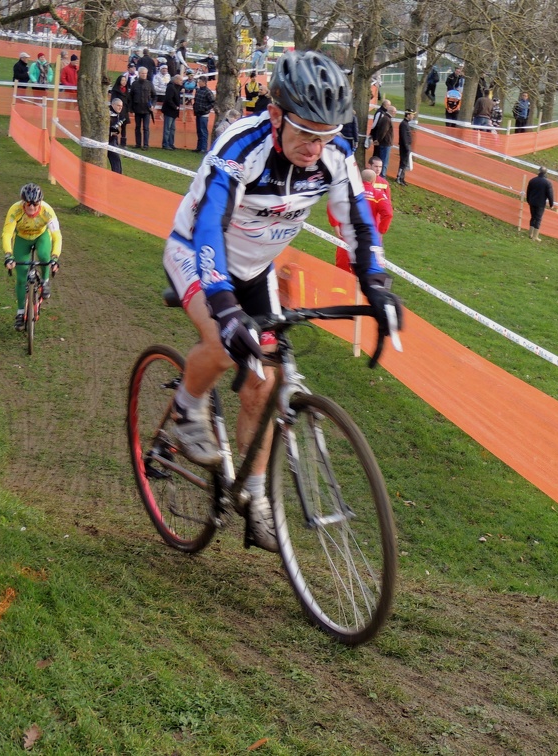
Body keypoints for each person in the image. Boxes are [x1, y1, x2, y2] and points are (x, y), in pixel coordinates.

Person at [161, 50, 401, 552]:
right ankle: (187, 408)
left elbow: (359, 223)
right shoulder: (240, 146)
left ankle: (254, 495)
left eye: (327, 135)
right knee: (226, 342)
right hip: (198, 254)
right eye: (305, 133)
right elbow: (209, 224)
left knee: (266, 385)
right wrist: (224, 307)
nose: (316, 146)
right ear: (275, 116)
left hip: (255, 270)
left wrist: (376, 286)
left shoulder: (334, 157)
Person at [2, 183, 62, 330]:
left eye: (35, 204)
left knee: (43, 255)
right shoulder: (15, 210)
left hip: (41, 236)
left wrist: (55, 258)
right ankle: (20, 312)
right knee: (22, 277)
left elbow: (56, 236)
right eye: (28, 204)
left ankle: (45, 281)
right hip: (22, 238)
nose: (32, 208)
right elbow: (7, 233)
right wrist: (8, 255)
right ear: (23, 202)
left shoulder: (47, 211)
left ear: (40, 202)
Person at [111, 63, 138, 146]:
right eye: (122, 80)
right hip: (117, 111)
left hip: (125, 111)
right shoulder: (115, 90)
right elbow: (113, 100)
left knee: (124, 127)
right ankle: (113, 141)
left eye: (125, 81)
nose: (124, 82)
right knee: (115, 126)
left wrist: (129, 108)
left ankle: (123, 143)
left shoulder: (127, 90)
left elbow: (129, 100)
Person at [526, 166, 555, 241]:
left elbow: (528, 192)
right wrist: (551, 204)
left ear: (538, 172)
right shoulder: (547, 183)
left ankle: (530, 234)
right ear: (545, 173)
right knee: (538, 219)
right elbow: (550, 194)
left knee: (533, 217)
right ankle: (535, 237)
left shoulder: (532, 180)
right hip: (540, 204)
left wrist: (528, 200)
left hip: (532, 202)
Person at [130, 66, 155, 149]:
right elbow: (131, 97)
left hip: (147, 110)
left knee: (146, 128)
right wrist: (131, 108)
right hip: (137, 109)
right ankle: (138, 144)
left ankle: (146, 145)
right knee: (137, 127)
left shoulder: (149, 84)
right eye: (142, 73)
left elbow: (155, 96)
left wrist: (153, 105)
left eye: (145, 73)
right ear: (139, 73)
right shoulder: (134, 84)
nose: (144, 75)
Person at [191, 77, 215, 153]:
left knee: (203, 131)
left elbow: (213, 102)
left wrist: (205, 108)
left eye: (200, 81)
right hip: (198, 113)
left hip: (204, 114)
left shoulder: (208, 92)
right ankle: (199, 147)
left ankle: (203, 148)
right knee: (199, 131)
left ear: (204, 82)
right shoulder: (198, 91)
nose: (199, 83)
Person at [370, 103, 395, 176]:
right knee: (384, 162)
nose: (395, 113)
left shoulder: (385, 118)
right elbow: (383, 131)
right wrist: (378, 140)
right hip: (385, 143)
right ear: (391, 111)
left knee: (383, 161)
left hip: (384, 143)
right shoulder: (386, 119)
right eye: (394, 112)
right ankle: (382, 176)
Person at [161, 74, 184, 150]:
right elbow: (168, 99)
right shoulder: (170, 87)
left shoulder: (176, 87)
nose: (182, 82)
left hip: (174, 112)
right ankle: (165, 144)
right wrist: (175, 107)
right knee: (167, 128)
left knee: (172, 128)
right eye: (180, 80)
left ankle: (171, 143)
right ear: (176, 80)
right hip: (169, 111)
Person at [396, 109, 414, 186]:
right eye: (412, 114)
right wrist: (406, 146)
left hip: (407, 146)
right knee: (403, 163)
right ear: (408, 115)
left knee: (405, 163)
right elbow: (404, 137)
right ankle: (399, 178)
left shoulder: (406, 124)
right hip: (404, 147)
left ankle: (402, 178)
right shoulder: (403, 124)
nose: (413, 116)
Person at [108, 98, 125, 174]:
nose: (120, 107)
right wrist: (111, 133)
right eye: (118, 105)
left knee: (117, 161)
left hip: (113, 140)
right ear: (113, 105)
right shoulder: (108, 115)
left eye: (121, 106)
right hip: (108, 141)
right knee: (116, 160)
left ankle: (117, 176)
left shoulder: (117, 114)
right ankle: (117, 177)